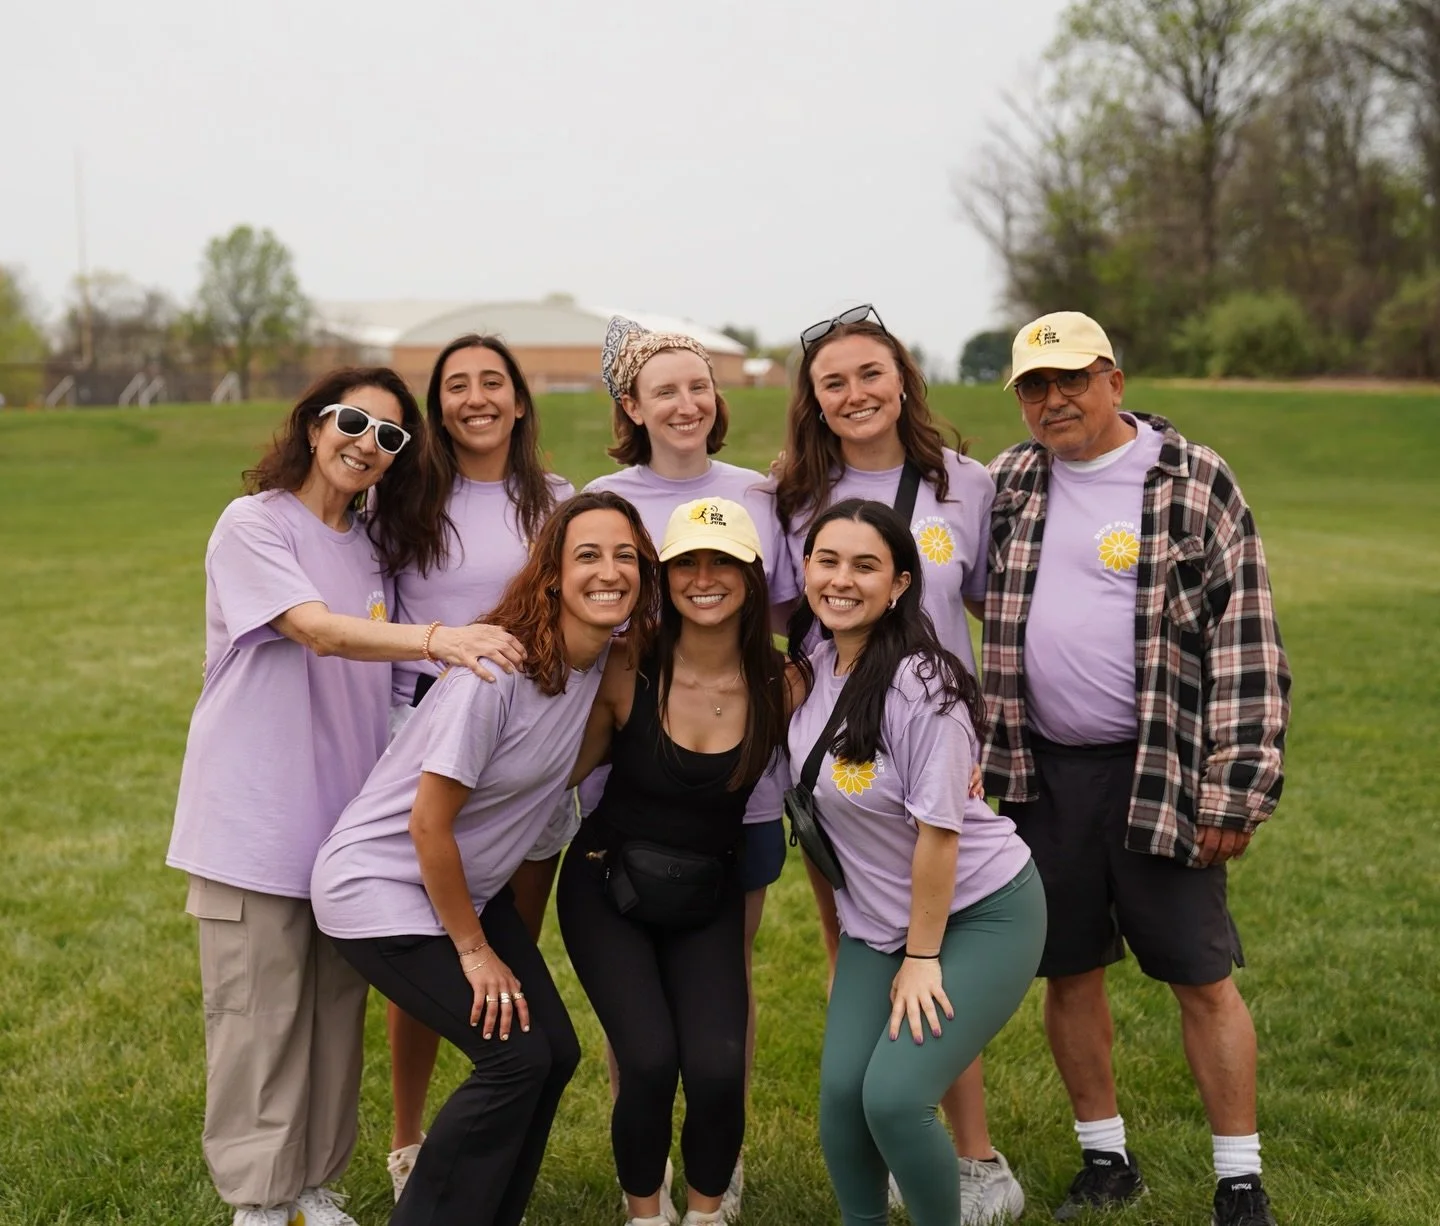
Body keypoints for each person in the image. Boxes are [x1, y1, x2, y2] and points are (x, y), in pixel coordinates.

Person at [166, 367, 525, 1226]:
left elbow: (391, 679)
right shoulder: (254, 524)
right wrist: (440, 637)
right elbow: (315, 630)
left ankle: (313, 1185)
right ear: (314, 425)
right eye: (354, 423)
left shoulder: (370, 550)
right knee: (260, 1017)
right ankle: (260, 1198)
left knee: (334, 1015)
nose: (368, 444)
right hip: (253, 823)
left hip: (343, 835)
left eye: (390, 436)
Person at [982, 311, 1291, 1226]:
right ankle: (1105, 1158)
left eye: (1072, 379)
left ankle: (1239, 1178)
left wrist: (1235, 783)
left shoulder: (1193, 480)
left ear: (1114, 380)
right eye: (1035, 386)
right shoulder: (1011, 482)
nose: (1054, 399)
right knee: (1069, 969)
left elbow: (1246, 636)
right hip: (1040, 774)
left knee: (1201, 974)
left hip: (1160, 770)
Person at [310, 490, 661, 1226]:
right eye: (588, 556)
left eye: (625, 555)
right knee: (515, 1059)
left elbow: (567, 763)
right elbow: (428, 825)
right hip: (380, 888)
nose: (609, 571)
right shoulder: (494, 673)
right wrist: (474, 952)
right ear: (552, 576)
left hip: (459, 888)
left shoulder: (598, 662)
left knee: (553, 1054)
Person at [774, 305, 1024, 1222]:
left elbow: (1000, 607)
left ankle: (974, 1156)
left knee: (935, 952)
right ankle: (885, 1129)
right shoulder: (792, 495)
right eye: (832, 381)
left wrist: (972, 733)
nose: (854, 394)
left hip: (936, 744)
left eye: (870, 373)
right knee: (861, 949)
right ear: (813, 400)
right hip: (834, 761)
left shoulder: (965, 483)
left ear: (903, 379)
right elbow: (782, 615)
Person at [583, 316, 799, 1218]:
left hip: (737, 793)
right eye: (663, 389)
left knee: (724, 979)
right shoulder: (606, 497)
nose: (685, 403)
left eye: (698, 385)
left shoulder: (760, 495)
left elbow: (791, 618)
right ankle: (643, 1164)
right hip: (631, 780)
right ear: (631, 406)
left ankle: (722, 1151)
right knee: (635, 1005)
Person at [787, 498, 1045, 1226]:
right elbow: (813, 821)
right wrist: (843, 940)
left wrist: (923, 958)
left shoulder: (923, 685)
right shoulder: (810, 669)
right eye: (827, 561)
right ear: (805, 569)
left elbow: (940, 836)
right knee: (843, 1096)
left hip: (980, 913)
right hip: (879, 923)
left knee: (895, 1100)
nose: (842, 579)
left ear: (900, 584)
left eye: (865, 566)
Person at [558, 498, 787, 1226]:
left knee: (718, 1069)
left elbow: (860, 733)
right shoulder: (627, 665)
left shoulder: (784, 683)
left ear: (752, 577)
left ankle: (706, 1214)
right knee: (649, 1062)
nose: (704, 578)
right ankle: (646, 1215)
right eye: (687, 562)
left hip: (708, 891)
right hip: (606, 884)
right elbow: (553, 766)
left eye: (723, 562)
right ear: (665, 576)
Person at [384, 334, 576, 1199]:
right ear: (438, 407)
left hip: (530, 758)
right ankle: (408, 1137)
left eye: (491, 382)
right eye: (456, 386)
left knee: (508, 950)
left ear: (520, 400)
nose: (475, 399)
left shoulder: (559, 502)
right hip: (431, 743)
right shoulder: (406, 501)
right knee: (432, 949)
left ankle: (491, 1120)